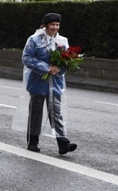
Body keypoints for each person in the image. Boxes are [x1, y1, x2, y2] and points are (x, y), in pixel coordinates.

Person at [19, 13, 77, 155]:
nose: (55, 27)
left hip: (55, 82)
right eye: (52, 25)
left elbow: (68, 61)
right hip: (38, 81)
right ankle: (33, 141)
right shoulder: (34, 40)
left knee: (56, 112)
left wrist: (59, 69)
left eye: (57, 25)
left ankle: (63, 142)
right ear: (45, 25)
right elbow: (27, 58)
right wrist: (46, 68)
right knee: (36, 112)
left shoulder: (62, 41)